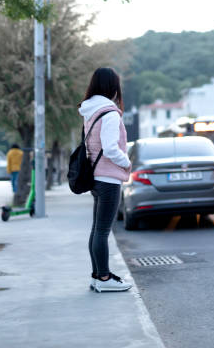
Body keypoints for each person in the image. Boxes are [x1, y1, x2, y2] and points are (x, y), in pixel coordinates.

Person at [78, 67, 132, 293]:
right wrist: (127, 162)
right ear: (112, 87)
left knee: (97, 230)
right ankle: (103, 277)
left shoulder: (91, 112)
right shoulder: (108, 113)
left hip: (96, 178)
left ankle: (97, 276)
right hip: (108, 179)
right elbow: (110, 148)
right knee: (102, 231)